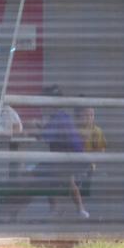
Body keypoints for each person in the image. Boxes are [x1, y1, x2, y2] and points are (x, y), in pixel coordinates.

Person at [37, 85, 90, 219]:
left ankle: (56, 208)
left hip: (69, 158)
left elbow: (46, 136)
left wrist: (35, 129)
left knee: (45, 176)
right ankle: (80, 210)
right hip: (68, 158)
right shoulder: (60, 116)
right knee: (68, 181)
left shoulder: (58, 118)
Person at [74, 105, 106, 199]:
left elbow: (101, 150)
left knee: (83, 190)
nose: (89, 118)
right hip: (73, 162)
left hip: (88, 164)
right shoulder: (73, 129)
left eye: (92, 115)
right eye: (86, 115)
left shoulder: (97, 131)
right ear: (79, 116)